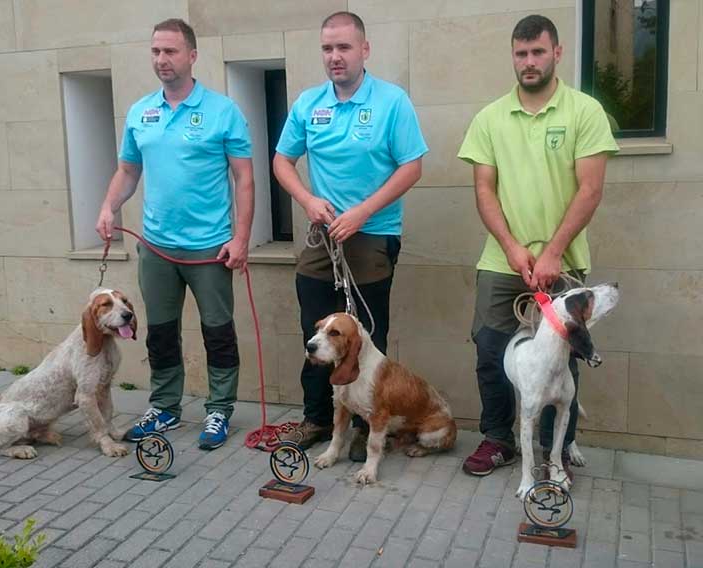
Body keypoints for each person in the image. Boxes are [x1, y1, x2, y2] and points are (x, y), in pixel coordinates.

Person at [457, 15, 618, 477]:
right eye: (521, 54)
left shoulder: (583, 111)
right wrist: (510, 246)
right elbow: (484, 189)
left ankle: (556, 448)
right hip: (500, 261)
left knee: (563, 355)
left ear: (557, 53)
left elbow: (590, 189)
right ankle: (496, 440)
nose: (529, 62)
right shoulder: (489, 118)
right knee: (490, 350)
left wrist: (551, 252)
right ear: (513, 57)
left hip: (563, 263)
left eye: (538, 52)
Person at [273, 11, 428, 459]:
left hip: (372, 234)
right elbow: (282, 162)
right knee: (315, 331)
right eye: (327, 48)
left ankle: (364, 426)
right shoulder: (308, 103)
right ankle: (318, 419)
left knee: (364, 336)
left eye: (344, 47)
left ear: (364, 49)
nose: (335, 56)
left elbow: (412, 167)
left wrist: (362, 211)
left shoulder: (392, 101)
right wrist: (306, 200)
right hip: (323, 239)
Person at [96, 18, 254, 451]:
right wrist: (109, 206)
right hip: (157, 247)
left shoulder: (223, 111)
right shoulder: (140, 112)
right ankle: (164, 407)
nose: (161, 60)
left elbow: (244, 179)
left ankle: (219, 410)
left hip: (210, 247)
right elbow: (129, 170)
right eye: (155, 52)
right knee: (161, 332)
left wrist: (240, 239)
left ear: (192, 55)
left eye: (170, 51)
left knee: (217, 331)